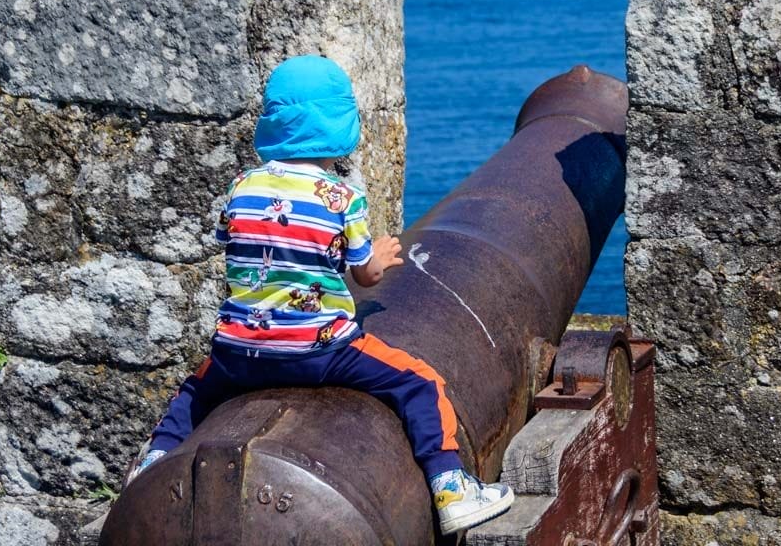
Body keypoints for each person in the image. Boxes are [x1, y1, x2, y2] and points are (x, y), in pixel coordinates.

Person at [129, 54, 513, 535]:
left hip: (239, 353)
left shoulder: (242, 187)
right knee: (420, 383)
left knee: (191, 393)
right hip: (319, 350)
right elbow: (366, 276)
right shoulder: (342, 198)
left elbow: (233, 243)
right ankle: (451, 487)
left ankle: (150, 467)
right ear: (342, 126)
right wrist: (379, 257)